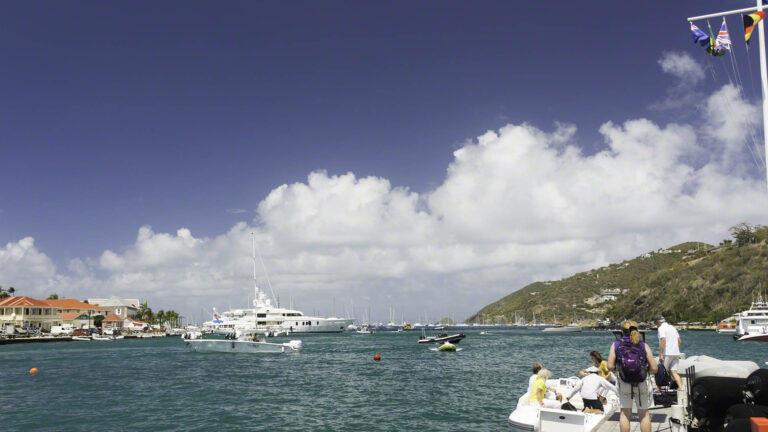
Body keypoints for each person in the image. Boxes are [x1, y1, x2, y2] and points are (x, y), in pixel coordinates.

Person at [608, 320, 658, 432]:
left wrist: (620, 371)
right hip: (642, 382)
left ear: (621, 331)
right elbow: (654, 368)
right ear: (637, 330)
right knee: (644, 414)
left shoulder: (616, 344)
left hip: (624, 381)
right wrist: (645, 372)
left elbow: (610, 366)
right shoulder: (643, 345)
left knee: (625, 413)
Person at [655, 315, 683, 390]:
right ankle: (680, 387)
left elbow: (663, 340)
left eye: (656, 324)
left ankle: (658, 388)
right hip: (676, 353)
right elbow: (679, 341)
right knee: (674, 372)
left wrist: (660, 354)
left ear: (658, 322)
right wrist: (675, 349)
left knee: (661, 371)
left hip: (667, 353)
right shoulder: (672, 328)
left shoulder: (661, 328)